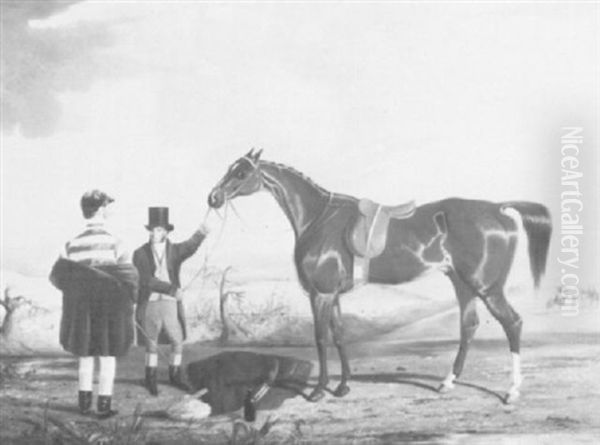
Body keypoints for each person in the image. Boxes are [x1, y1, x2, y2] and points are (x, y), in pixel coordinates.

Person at [49, 190, 138, 419]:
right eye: (107, 205)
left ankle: (83, 405)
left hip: (80, 310)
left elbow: (61, 277)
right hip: (109, 309)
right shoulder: (115, 242)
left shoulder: (70, 244)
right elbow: (128, 279)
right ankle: (104, 406)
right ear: (99, 210)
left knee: (85, 355)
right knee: (107, 357)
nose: (109, 209)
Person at [133, 207, 209, 396]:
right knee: (151, 343)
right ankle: (150, 379)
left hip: (169, 305)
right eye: (151, 230)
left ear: (166, 232)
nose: (153, 233)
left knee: (177, 340)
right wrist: (172, 289)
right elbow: (146, 280)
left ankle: (174, 376)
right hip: (150, 303)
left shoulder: (174, 250)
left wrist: (201, 233)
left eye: (158, 230)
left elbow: (190, 246)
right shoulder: (139, 253)